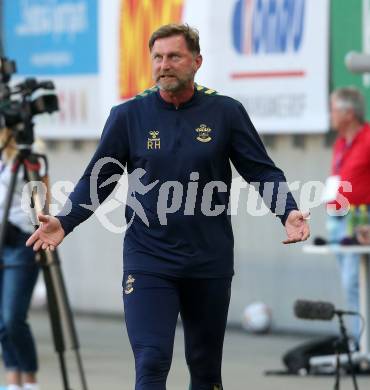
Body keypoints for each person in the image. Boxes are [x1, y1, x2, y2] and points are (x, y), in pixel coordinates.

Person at [26, 24, 310, 390]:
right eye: (157, 57)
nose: (164, 65)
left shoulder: (225, 112)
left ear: (196, 61)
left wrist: (286, 211)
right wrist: (65, 222)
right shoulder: (129, 115)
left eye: (174, 56)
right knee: (151, 359)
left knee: (205, 369)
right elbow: (99, 179)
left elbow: (261, 171)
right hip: (149, 259)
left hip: (209, 260)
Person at [327, 86, 370, 341]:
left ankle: (362, 343)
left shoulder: (368, 138)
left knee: (356, 282)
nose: (330, 115)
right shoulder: (341, 143)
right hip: (338, 218)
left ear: (349, 113)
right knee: (349, 282)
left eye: (334, 109)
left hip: (361, 219)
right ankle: (359, 341)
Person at [0, 127, 41, 390]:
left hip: (20, 241)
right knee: (1, 323)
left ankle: (29, 378)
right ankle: (12, 378)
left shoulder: (28, 157)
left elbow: (40, 201)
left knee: (13, 318)